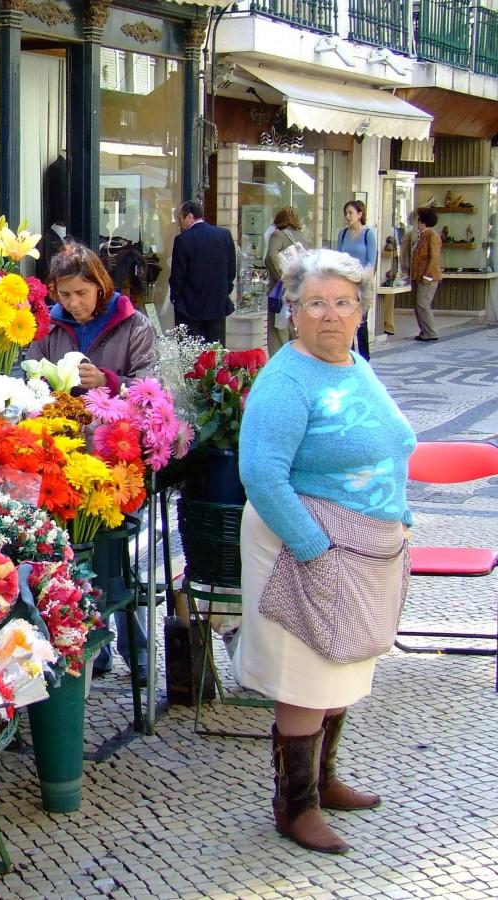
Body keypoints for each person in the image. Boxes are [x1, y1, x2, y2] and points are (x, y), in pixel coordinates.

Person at [234, 249, 416, 854]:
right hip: (303, 543)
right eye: (316, 303)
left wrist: (400, 514)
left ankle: (325, 779)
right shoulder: (286, 380)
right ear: (293, 311)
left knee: (340, 667)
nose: (331, 315)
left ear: (361, 309)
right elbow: (261, 472)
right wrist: (313, 545)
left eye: (343, 302)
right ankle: (295, 805)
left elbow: (389, 444)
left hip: (360, 548)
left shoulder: (354, 364)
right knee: (305, 671)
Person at [27, 241, 157, 683]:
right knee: (71, 554)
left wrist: (109, 380)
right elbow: (27, 373)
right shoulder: (50, 326)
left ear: (100, 286)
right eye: (64, 295)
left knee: (114, 553)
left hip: (115, 455)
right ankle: (88, 644)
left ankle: (132, 643)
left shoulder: (133, 324)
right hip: (62, 456)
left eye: (81, 293)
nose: (73, 303)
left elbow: (150, 386)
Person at [169, 200, 237, 344]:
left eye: (180, 219)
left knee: (191, 356)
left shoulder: (183, 240)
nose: (179, 224)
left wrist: (176, 297)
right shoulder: (224, 235)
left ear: (190, 216)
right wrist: (224, 291)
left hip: (189, 306)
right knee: (215, 354)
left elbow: (178, 276)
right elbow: (231, 270)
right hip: (216, 304)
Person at [336, 200, 377, 359]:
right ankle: (349, 354)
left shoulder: (368, 234)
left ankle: (364, 359)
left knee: (361, 321)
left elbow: (371, 262)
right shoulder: (343, 234)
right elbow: (339, 257)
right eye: (346, 213)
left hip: (362, 283)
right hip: (346, 282)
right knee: (346, 319)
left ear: (360, 214)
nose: (347, 216)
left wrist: (363, 280)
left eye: (350, 213)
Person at [264, 207, 306, 357]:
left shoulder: (277, 235)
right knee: (295, 332)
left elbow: (270, 257)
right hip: (298, 292)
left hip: (280, 292)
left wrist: (282, 278)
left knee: (278, 335)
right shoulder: (302, 237)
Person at [410, 207, 442, 342]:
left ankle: (430, 332)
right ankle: (425, 331)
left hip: (428, 276)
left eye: (419, 220)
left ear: (423, 222)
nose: (417, 222)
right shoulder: (422, 235)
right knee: (419, 304)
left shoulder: (432, 236)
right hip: (419, 275)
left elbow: (434, 258)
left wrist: (427, 276)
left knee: (422, 304)